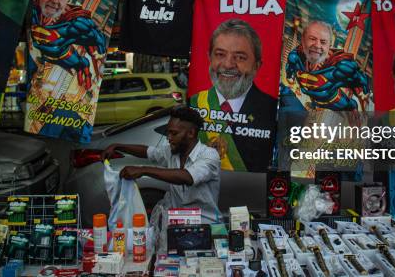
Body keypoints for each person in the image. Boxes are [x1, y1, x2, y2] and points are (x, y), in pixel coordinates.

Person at [101, 105, 221, 223]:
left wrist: (143, 170)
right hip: (176, 224)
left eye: (174, 133)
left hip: (205, 224)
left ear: (191, 133)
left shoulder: (209, 155)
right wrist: (118, 146)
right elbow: (148, 152)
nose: (168, 138)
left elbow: (187, 177)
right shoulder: (171, 152)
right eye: (168, 133)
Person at [190, 19, 277, 172]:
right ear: (209, 58)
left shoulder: (274, 111)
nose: (228, 64)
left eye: (240, 57)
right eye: (220, 54)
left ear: (257, 65)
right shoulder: (192, 105)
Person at [30, 0, 106, 90]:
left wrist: (99, 53)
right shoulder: (31, 11)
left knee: (81, 64)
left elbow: (96, 36)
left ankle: (86, 74)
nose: (55, 0)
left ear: (67, 0)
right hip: (39, 56)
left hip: (62, 55)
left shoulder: (73, 24)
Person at [284, 20, 369, 111]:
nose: (317, 45)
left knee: (352, 108)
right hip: (312, 102)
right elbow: (289, 73)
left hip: (334, 101)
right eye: (313, 39)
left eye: (323, 42)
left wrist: (362, 94)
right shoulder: (295, 58)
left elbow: (359, 81)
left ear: (329, 46)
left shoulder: (338, 68)